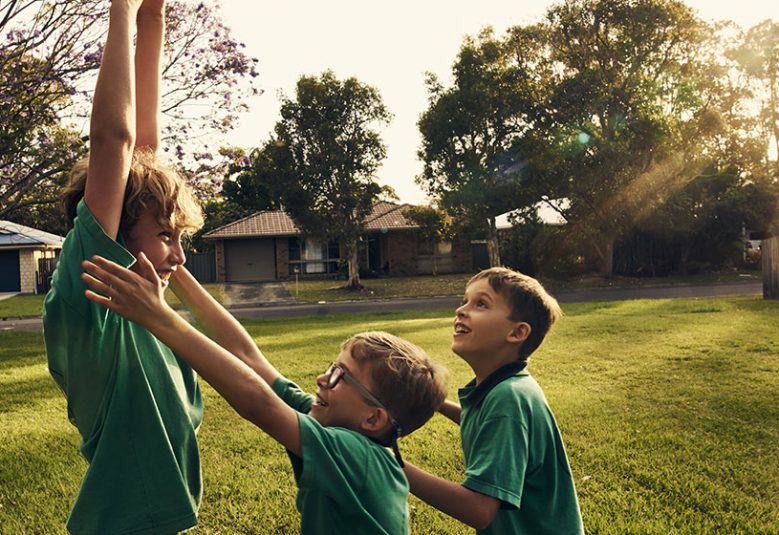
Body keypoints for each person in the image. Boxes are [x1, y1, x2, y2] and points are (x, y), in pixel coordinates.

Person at [79, 254, 449, 535]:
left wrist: (158, 317)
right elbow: (248, 357)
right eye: (331, 366)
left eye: (340, 376)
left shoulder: (360, 457)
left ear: (374, 418)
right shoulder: (340, 424)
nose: (322, 378)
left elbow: (257, 402)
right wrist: (173, 269)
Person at [42, 1, 205, 533]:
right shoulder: (91, 292)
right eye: (165, 236)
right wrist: (121, 8)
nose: (178, 256)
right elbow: (117, 141)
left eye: (179, 236)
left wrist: (152, 16)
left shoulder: (142, 312)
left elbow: (144, 150)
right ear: (112, 236)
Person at [402, 267, 584, 534]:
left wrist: (391, 461)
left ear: (517, 332)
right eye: (464, 301)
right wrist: (437, 402)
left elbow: (479, 509)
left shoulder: (507, 398)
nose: (461, 310)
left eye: (481, 304)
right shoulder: (506, 386)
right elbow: (480, 421)